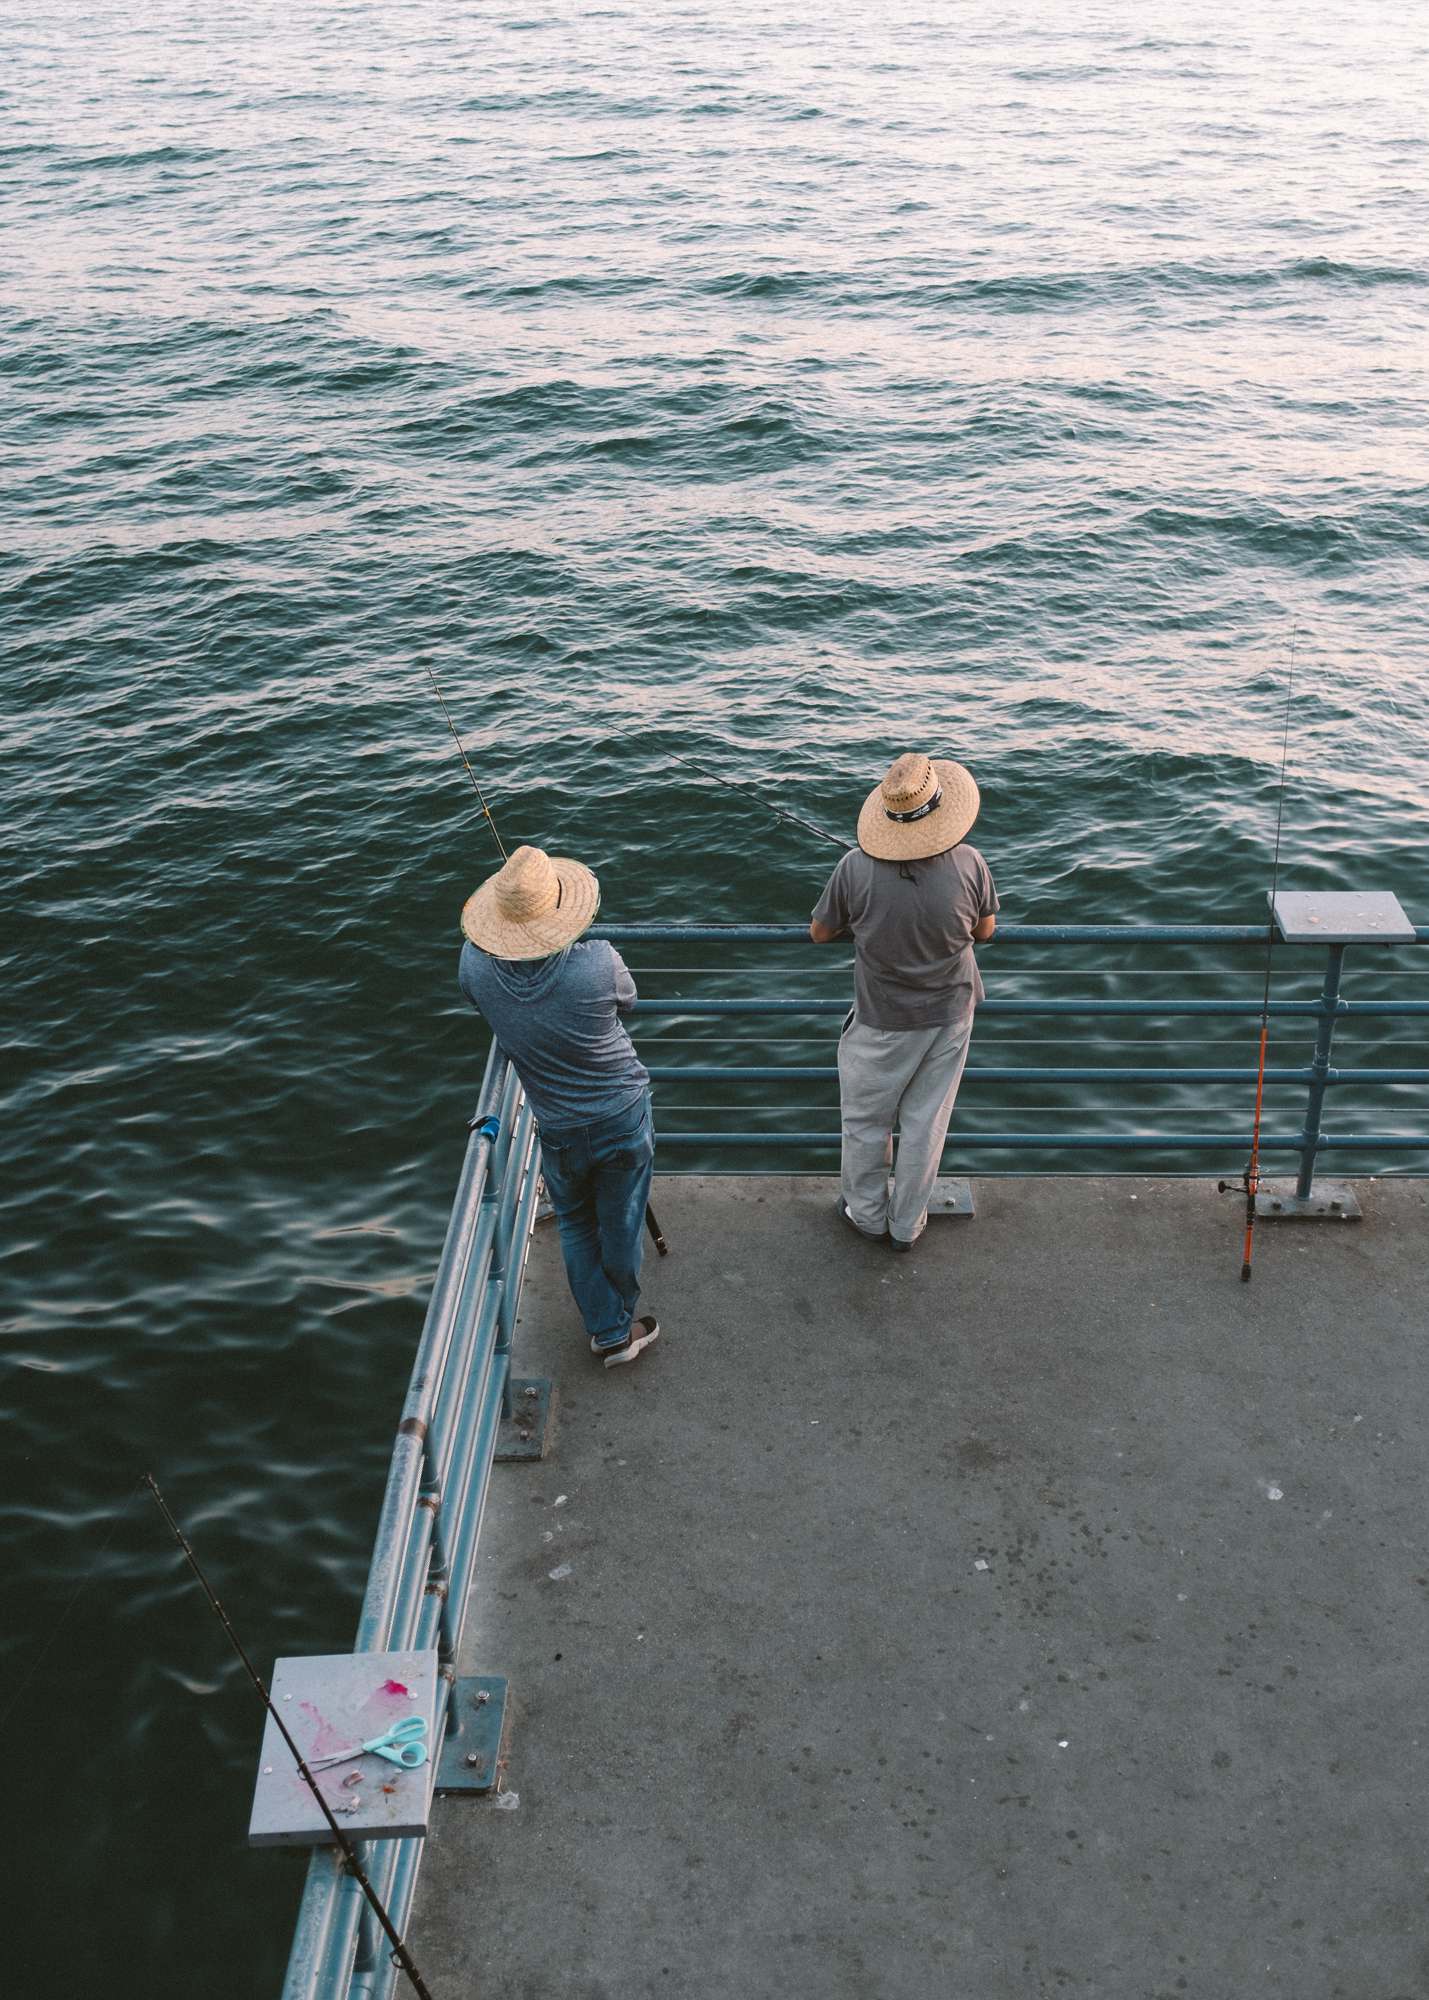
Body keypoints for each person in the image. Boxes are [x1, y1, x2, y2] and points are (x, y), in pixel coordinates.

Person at [459, 844, 660, 1368]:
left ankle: (609, 1329)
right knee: (621, 1220)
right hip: (622, 1112)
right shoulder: (597, 961)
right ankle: (622, 1316)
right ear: (560, 907)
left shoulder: (475, 967)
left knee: (575, 1224)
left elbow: (476, 997)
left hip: (558, 1126)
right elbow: (630, 1002)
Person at [810, 751, 998, 1250]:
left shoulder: (853, 867)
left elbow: (819, 932)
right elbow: (986, 931)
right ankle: (906, 1225)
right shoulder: (970, 862)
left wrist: (863, 914)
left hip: (881, 1020)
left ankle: (867, 1216)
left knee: (866, 1123)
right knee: (925, 1124)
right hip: (951, 1014)